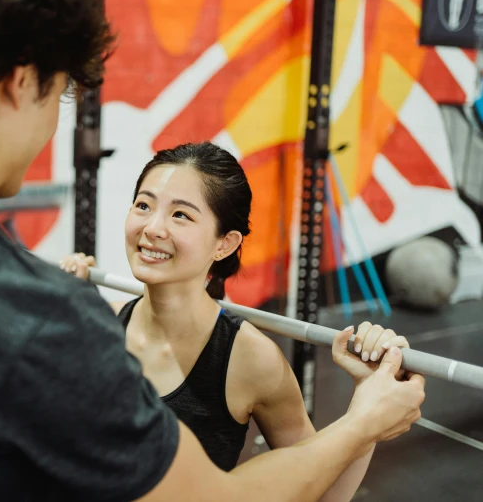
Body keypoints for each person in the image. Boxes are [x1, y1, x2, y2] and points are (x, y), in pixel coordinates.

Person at [0, 0, 425, 502]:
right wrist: (362, 422)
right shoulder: (34, 315)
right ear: (21, 81)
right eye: (60, 95)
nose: (54, 122)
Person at [60, 141, 412, 499]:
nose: (152, 227)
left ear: (224, 244)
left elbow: (323, 492)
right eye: (143, 205)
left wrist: (366, 415)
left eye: (180, 215)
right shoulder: (97, 323)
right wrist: (50, 309)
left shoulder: (251, 360)